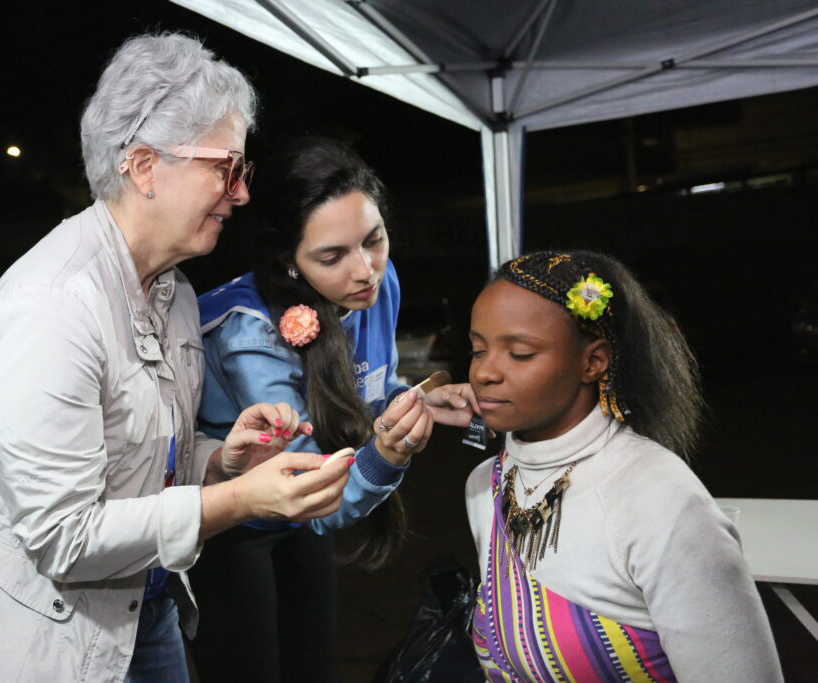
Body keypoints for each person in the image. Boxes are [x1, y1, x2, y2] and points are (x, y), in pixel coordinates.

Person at [0, 34, 354, 683]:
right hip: (21, 638)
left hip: (137, 608)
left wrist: (219, 460)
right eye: (225, 167)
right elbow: (64, 535)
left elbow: (136, 462)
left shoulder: (173, 290)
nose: (240, 194)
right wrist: (239, 499)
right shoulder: (54, 305)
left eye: (244, 171)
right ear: (144, 165)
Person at [189, 138, 478, 682]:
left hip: (306, 512)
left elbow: (371, 387)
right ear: (288, 261)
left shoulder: (375, 285)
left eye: (374, 240)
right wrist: (386, 456)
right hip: (233, 515)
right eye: (332, 256)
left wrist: (414, 399)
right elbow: (314, 490)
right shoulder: (249, 335)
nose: (365, 270)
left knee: (314, 666)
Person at [464, 251, 782, 681]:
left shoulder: (660, 501)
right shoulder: (487, 485)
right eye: (477, 349)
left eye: (519, 354)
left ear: (593, 361)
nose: (485, 372)